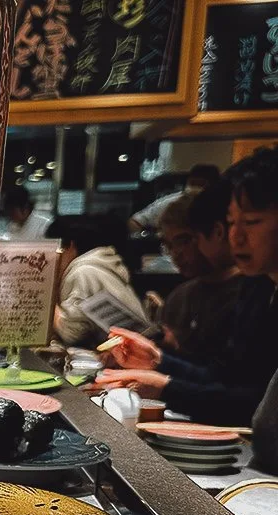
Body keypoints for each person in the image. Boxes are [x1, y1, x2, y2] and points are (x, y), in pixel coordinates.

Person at [98, 148, 278, 426]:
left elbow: (254, 402)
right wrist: (157, 361)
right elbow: (225, 376)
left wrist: (165, 385)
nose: (236, 237)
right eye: (232, 222)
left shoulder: (253, 285)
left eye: (251, 222)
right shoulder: (259, 287)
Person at [152, 184, 241, 362]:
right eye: (169, 245)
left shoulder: (251, 292)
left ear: (217, 233)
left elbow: (233, 379)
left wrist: (174, 352)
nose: (176, 253)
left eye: (184, 241)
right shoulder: (180, 296)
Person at [47, 215, 149, 347]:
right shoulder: (98, 264)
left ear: (69, 246)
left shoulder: (83, 272)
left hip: (135, 354)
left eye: (52, 249)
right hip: (137, 348)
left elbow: (72, 333)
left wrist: (46, 296)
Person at [128, 163, 220, 234]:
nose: (195, 188)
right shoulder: (170, 202)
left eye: (200, 184)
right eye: (192, 183)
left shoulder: (222, 207)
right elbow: (135, 221)